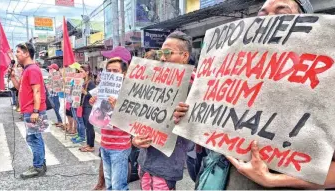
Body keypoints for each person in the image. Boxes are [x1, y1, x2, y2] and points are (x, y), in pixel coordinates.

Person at [173, 0, 335, 189]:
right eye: (262, 14)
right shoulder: (236, 72)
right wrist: (190, 116)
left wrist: (273, 180)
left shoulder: (325, 84)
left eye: (281, 12)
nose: (268, 20)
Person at [131, 31, 195, 190]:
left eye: (168, 52)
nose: (162, 57)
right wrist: (135, 139)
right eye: (160, 52)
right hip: (144, 161)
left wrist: (186, 117)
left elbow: (199, 130)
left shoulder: (195, 87)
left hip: (166, 165)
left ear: (184, 56)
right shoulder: (150, 80)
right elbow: (138, 116)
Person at [89, 57, 132, 190]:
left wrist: (117, 108)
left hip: (120, 146)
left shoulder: (129, 92)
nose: (112, 74)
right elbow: (98, 119)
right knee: (110, 185)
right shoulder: (102, 89)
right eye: (109, 71)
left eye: (116, 71)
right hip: (105, 143)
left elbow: (132, 121)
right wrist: (94, 103)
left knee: (119, 186)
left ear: (124, 74)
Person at [9, 42, 47, 179]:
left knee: (33, 138)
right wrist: (13, 76)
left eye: (18, 52)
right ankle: (41, 164)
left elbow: (37, 91)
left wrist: (35, 111)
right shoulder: (27, 69)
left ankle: (38, 167)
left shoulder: (32, 70)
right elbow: (20, 88)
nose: (16, 55)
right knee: (37, 137)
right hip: (31, 110)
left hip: (33, 111)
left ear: (26, 53)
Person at [73, 64, 96, 152]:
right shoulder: (82, 82)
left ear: (87, 72)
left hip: (88, 107)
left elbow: (93, 95)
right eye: (79, 71)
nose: (80, 73)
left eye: (82, 71)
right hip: (82, 106)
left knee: (90, 126)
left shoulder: (90, 83)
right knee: (86, 126)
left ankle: (91, 145)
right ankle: (88, 143)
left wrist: (84, 92)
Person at [48, 63, 63, 128]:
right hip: (52, 94)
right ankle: (59, 120)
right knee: (55, 108)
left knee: (57, 108)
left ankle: (61, 121)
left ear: (55, 69)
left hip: (56, 94)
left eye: (51, 68)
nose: (50, 70)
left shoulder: (58, 75)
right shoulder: (51, 75)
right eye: (49, 69)